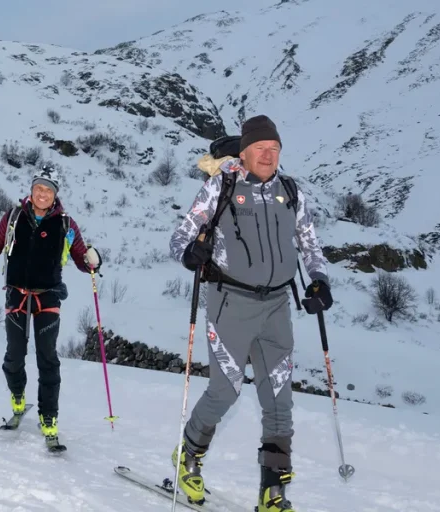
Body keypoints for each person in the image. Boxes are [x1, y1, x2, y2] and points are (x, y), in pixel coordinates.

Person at [168, 115, 333, 512]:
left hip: (277, 307)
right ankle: (188, 456)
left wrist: (320, 280)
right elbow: (179, 238)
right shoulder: (221, 186)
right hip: (231, 305)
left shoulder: (291, 192)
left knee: (279, 399)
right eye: (261, 148)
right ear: (244, 152)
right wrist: (191, 254)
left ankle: (273, 493)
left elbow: (310, 244)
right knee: (225, 390)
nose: (268, 155)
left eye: (275, 149)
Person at [0, 165, 102, 446]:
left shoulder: (65, 223)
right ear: (32, 189)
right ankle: (17, 395)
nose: (42, 193)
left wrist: (90, 262)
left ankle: (48, 416)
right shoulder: (14, 216)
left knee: (47, 357)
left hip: (48, 295)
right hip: (16, 293)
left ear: (55, 195)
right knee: (14, 355)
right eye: (39, 187)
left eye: (48, 190)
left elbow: (79, 258)